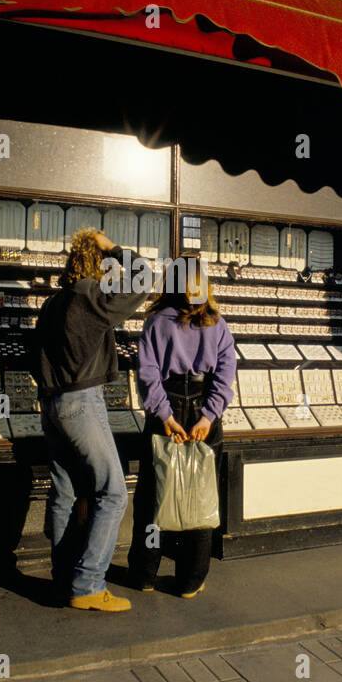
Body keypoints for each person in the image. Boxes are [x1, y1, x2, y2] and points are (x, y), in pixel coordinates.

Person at [31, 227, 154, 612]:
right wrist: (113, 247)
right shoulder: (89, 296)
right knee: (114, 492)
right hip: (81, 402)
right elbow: (144, 278)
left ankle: (64, 578)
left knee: (65, 491)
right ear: (98, 264)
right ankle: (88, 584)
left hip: (50, 404)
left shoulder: (53, 303)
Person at [129, 257, 235, 599]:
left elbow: (147, 374)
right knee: (200, 494)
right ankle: (190, 580)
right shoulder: (217, 324)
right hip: (204, 409)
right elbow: (226, 372)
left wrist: (166, 416)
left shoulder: (156, 322)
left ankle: (144, 574)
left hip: (168, 410)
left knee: (153, 493)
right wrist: (208, 416)